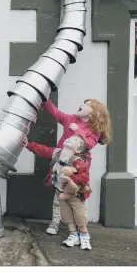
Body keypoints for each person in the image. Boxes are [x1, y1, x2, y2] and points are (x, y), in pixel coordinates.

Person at [40, 98, 111, 235]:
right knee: (59, 192)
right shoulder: (70, 119)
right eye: (83, 103)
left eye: (87, 105)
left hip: (78, 168)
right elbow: (57, 113)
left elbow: (88, 144)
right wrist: (45, 100)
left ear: (93, 114)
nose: (82, 105)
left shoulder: (94, 130)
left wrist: (78, 130)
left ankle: (81, 225)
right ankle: (55, 221)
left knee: (78, 196)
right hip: (62, 163)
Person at [23, 135, 93, 249]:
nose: (71, 139)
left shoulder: (79, 161)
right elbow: (43, 150)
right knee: (62, 210)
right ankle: (68, 231)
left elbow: (84, 177)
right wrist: (28, 145)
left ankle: (84, 234)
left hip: (75, 194)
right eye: (71, 137)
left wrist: (71, 179)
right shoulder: (57, 153)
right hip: (60, 190)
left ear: (78, 150)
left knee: (79, 213)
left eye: (75, 140)